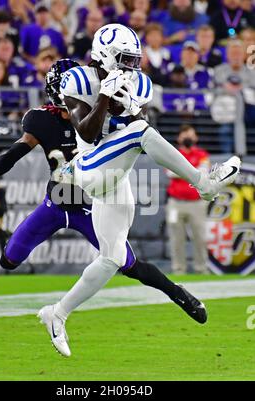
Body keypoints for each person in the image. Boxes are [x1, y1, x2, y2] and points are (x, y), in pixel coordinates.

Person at [39, 24, 241, 357]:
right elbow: (88, 135)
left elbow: (133, 121)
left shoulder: (140, 83)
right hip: (89, 167)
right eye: (124, 60)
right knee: (140, 132)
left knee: (113, 256)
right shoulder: (77, 80)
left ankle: (57, 313)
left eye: (135, 60)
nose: (132, 67)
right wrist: (104, 95)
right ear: (104, 56)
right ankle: (204, 183)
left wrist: (127, 104)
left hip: (116, 177)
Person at [0, 58, 209, 342]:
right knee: (10, 259)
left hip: (89, 205)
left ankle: (178, 294)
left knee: (128, 264)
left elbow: (132, 131)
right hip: (56, 203)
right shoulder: (41, 119)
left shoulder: (102, 116)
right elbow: (20, 148)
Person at [166, 125, 210, 275]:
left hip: (196, 203)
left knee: (200, 238)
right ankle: (178, 269)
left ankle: (201, 269)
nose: (188, 139)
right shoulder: (172, 153)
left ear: (196, 138)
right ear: (179, 138)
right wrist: (193, 170)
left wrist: (182, 170)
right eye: (185, 135)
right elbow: (170, 173)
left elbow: (203, 173)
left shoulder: (202, 154)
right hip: (175, 203)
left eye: (190, 135)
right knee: (176, 239)